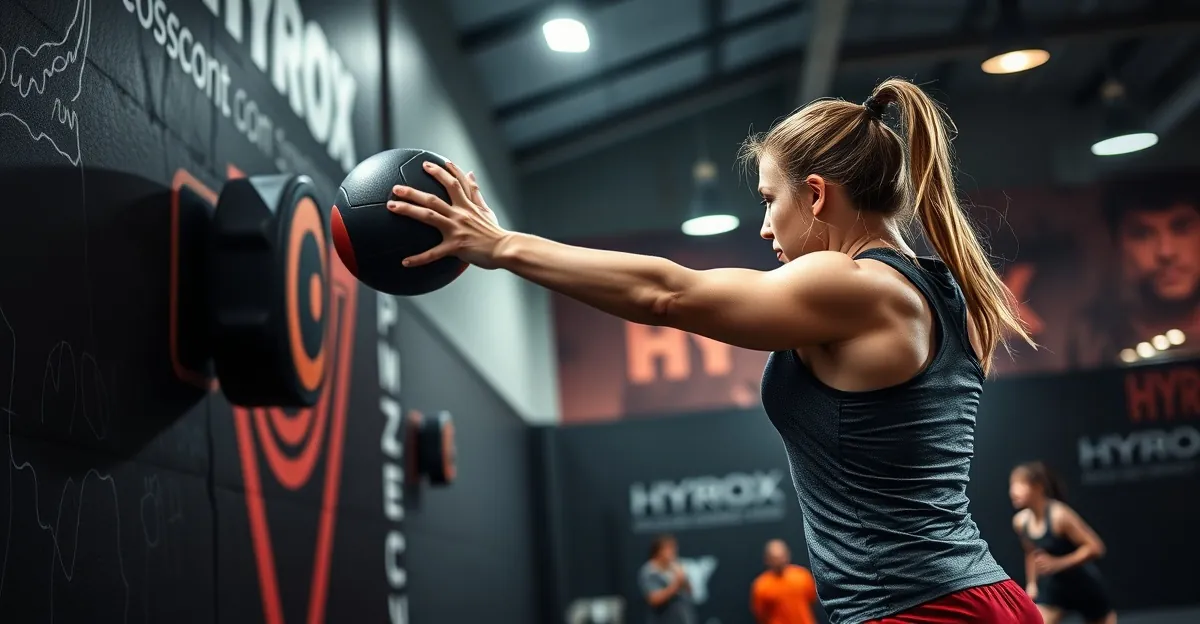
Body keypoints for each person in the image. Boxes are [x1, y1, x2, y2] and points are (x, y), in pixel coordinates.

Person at [387, 77, 1042, 623]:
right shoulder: (944, 289)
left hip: (923, 611)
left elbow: (667, 294)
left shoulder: (857, 284)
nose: (763, 227)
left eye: (768, 201)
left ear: (816, 195)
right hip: (968, 599)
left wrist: (502, 246)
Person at [1068, 170, 1200, 367]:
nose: (1166, 251)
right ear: (1116, 244)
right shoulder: (1091, 340)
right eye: (1143, 234)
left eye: (1181, 228)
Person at [1009, 461, 1116, 624]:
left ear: (1038, 487)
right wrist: (1032, 584)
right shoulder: (1020, 522)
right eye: (1012, 485)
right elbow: (1031, 553)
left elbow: (1096, 547)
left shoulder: (1060, 515)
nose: (1013, 492)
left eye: (1019, 484)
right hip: (1055, 589)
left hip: (1084, 586)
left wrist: (1059, 563)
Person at [750, 539, 819, 624]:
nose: (779, 561)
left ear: (787, 555)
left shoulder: (803, 576)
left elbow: (812, 599)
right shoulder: (761, 585)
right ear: (767, 559)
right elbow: (760, 614)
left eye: (781, 556)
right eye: (774, 558)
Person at [636, 534, 697, 624]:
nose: (673, 552)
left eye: (674, 548)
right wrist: (676, 585)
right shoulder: (650, 571)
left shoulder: (676, 566)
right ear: (658, 551)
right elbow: (654, 599)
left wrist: (684, 580)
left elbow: (689, 592)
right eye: (669, 549)